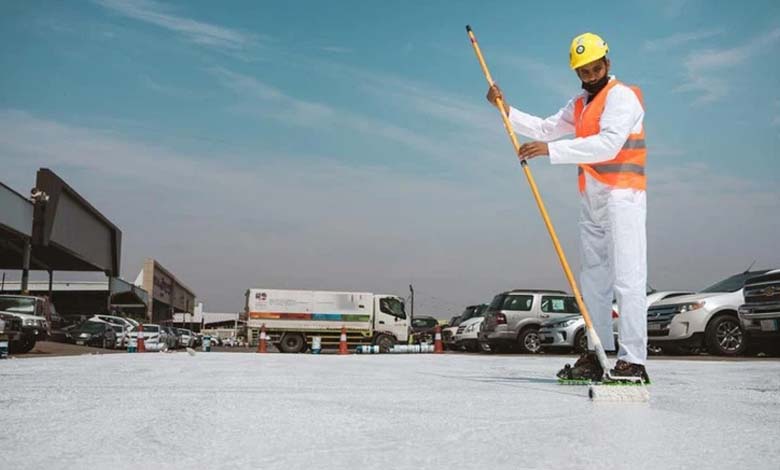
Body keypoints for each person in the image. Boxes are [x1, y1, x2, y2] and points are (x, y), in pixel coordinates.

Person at [486, 32, 649, 382]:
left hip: (623, 196)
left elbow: (607, 145)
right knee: (593, 284)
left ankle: (633, 360)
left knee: (628, 279)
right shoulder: (580, 104)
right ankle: (598, 352)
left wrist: (552, 152)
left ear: (607, 62)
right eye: (584, 72)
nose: (590, 76)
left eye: (595, 68)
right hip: (592, 201)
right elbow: (546, 128)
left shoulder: (622, 97)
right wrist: (505, 108)